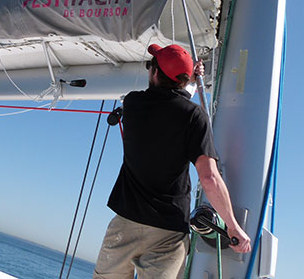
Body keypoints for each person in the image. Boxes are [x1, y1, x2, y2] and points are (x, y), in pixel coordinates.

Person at [93, 44, 251, 279]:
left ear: (155, 73)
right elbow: (208, 178)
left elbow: (168, 103)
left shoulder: (133, 104)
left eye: (151, 66)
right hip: (168, 231)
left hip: (125, 223)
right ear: (182, 80)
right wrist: (232, 225)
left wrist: (187, 81)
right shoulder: (194, 116)